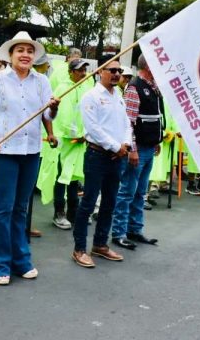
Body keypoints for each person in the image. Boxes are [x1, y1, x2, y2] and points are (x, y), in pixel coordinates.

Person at [0, 31, 59, 285]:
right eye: (20, 50)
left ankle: (21, 260)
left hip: (31, 151)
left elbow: (48, 117)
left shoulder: (42, 81)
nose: (25, 54)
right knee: (4, 208)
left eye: (30, 51)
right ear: (10, 54)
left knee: (22, 209)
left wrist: (53, 108)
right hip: (4, 153)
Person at [71, 56, 131, 268]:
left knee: (109, 202)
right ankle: (79, 248)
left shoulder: (119, 96)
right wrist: (116, 147)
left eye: (118, 71)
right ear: (100, 72)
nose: (116, 74)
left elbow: (126, 124)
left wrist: (126, 144)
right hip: (97, 155)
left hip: (117, 158)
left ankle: (100, 244)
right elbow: (93, 128)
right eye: (111, 70)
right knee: (88, 202)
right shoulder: (91, 96)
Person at [112, 54, 162, 250]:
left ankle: (135, 229)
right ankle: (119, 232)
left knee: (140, 192)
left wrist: (156, 140)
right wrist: (132, 149)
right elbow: (128, 122)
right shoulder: (134, 88)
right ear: (148, 66)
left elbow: (155, 117)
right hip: (138, 149)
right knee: (127, 192)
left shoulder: (153, 87)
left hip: (149, 147)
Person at [49, 59, 91, 229]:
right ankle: (59, 212)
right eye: (80, 70)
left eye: (84, 70)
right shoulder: (62, 88)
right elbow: (64, 117)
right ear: (71, 72)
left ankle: (74, 212)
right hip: (65, 141)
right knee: (62, 177)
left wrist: (86, 134)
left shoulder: (86, 88)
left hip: (81, 141)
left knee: (75, 177)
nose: (83, 73)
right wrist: (76, 134)